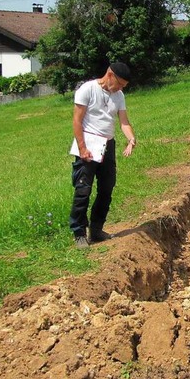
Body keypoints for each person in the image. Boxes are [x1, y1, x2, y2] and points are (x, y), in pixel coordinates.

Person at [69, 62, 136, 248]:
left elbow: (124, 122)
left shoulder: (119, 95)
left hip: (108, 145)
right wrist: (82, 148)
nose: (121, 88)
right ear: (110, 75)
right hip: (88, 146)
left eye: (124, 86)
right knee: (83, 190)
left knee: (106, 188)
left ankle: (96, 230)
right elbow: (77, 120)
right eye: (120, 83)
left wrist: (131, 138)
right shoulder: (87, 89)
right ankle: (79, 233)